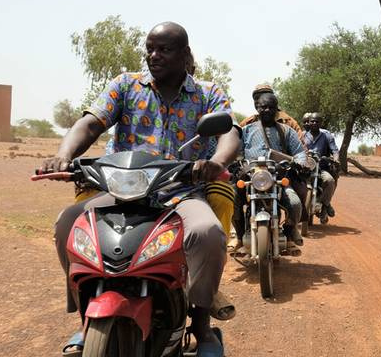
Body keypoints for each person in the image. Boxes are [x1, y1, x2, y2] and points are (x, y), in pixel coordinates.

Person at [43, 22, 239, 356]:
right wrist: (63, 155)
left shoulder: (207, 93)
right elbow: (90, 123)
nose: (153, 56)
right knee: (67, 224)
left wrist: (216, 162)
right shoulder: (125, 85)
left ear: (185, 54)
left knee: (207, 233)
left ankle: (202, 324)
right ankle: (84, 321)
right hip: (121, 189)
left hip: (180, 192)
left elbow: (229, 133)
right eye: (150, 48)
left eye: (164, 49)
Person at [233, 91, 307, 251]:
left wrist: (299, 162)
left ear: (277, 110)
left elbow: (299, 152)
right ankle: (238, 237)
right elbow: (236, 150)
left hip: (278, 179)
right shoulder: (246, 130)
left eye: (271, 107)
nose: (267, 110)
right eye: (263, 107)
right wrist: (236, 162)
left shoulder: (287, 131)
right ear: (257, 108)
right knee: (232, 199)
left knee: (295, 204)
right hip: (249, 178)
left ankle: (288, 234)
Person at [303, 112, 339, 223]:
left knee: (330, 180)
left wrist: (336, 159)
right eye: (312, 121)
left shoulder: (327, 136)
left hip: (321, 167)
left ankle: (325, 205)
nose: (314, 123)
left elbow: (334, 150)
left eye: (317, 121)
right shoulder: (302, 135)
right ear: (308, 122)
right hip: (304, 168)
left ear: (321, 123)